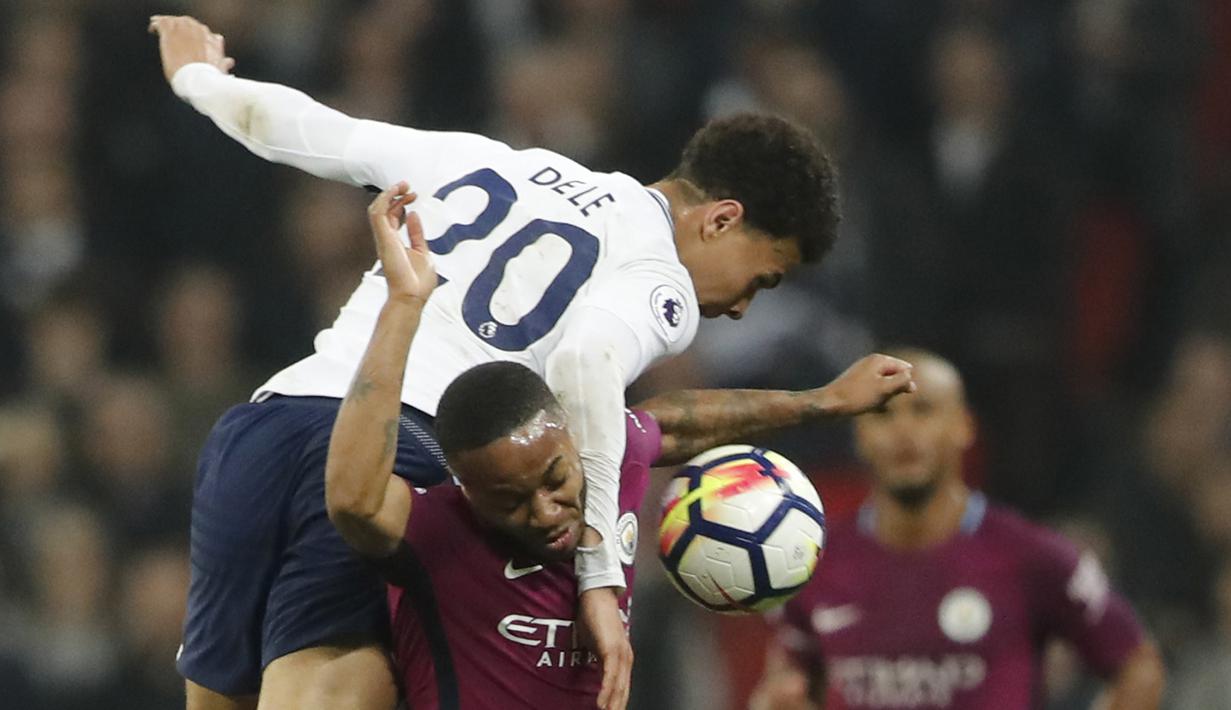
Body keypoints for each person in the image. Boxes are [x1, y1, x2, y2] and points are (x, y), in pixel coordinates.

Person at [146, 13, 861, 710]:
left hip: (265, 429)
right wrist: (599, 572)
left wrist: (199, 82)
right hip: (396, 456)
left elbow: (316, 133)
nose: (739, 307)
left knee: (218, 698)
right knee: (329, 682)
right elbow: (586, 363)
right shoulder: (658, 275)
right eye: (760, 279)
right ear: (721, 219)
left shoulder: (495, 160)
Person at [324, 183, 916, 709]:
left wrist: (821, 401)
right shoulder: (437, 533)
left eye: (555, 478)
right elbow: (353, 499)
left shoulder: (609, 456)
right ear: (464, 488)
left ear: (574, 436)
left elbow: (677, 422)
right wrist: (402, 306)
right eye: (509, 499)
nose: (544, 510)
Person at [750, 348, 1166, 710]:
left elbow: (1137, 666)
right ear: (859, 435)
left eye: (923, 409)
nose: (904, 432)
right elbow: (786, 686)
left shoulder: (1031, 555)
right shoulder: (816, 561)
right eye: (884, 414)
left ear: (963, 428)